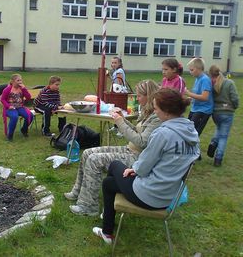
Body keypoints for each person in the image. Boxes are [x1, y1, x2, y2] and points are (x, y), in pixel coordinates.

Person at [93, 88, 200, 244]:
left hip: (149, 196)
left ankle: (107, 229)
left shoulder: (163, 133)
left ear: (167, 111)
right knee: (109, 183)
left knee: (115, 165)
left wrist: (134, 169)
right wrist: (136, 169)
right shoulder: (192, 133)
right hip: (169, 196)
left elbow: (143, 168)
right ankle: (107, 227)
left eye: (156, 109)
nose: (155, 113)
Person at [65, 80, 161, 216]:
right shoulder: (148, 111)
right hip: (130, 150)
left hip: (139, 158)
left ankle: (88, 206)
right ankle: (78, 191)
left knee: (94, 160)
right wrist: (123, 119)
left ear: (149, 95)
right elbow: (136, 131)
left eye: (139, 96)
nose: (137, 98)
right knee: (87, 153)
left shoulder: (157, 117)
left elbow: (141, 142)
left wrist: (120, 122)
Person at [207, 65, 239, 166]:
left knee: (219, 128)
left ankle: (213, 143)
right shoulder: (229, 83)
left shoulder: (211, 84)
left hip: (216, 112)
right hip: (227, 113)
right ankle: (218, 158)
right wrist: (235, 106)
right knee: (224, 136)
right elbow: (235, 98)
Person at [185, 57, 213, 139]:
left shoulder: (205, 80)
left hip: (203, 110)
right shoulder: (197, 79)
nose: (190, 72)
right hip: (195, 108)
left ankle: (194, 151)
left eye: (192, 70)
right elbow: (198, 94)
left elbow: (205, 97)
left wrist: (189, 93)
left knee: (194, 133)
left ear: (199, 69)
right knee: (188, 130)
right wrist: (190, 98)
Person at [1, 74, 34, 141]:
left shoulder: (22, 88)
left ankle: (24, 130)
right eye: (18, 80)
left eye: (21, 80)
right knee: (14, 117)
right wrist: (8, 106)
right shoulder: (7, 89)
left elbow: (28, 97)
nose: (20, 82)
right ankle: (10, 136)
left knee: (30, 115)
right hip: (10, 108)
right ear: (13, 81)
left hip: (20, 107)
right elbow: (2, 99)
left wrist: (24, 89)